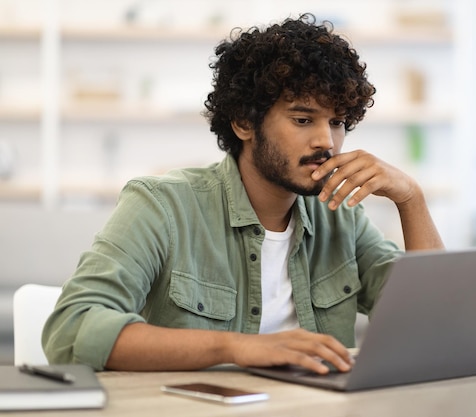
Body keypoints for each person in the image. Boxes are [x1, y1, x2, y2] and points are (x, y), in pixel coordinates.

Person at [42, 13, 444, 374]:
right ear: (243, 123)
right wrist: (237, 348)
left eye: (338, 121)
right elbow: (72, 329)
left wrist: (411, 199)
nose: (327, 141)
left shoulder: (340, 214)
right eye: (303, 119)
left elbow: (434, 329)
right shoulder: (162, 206)